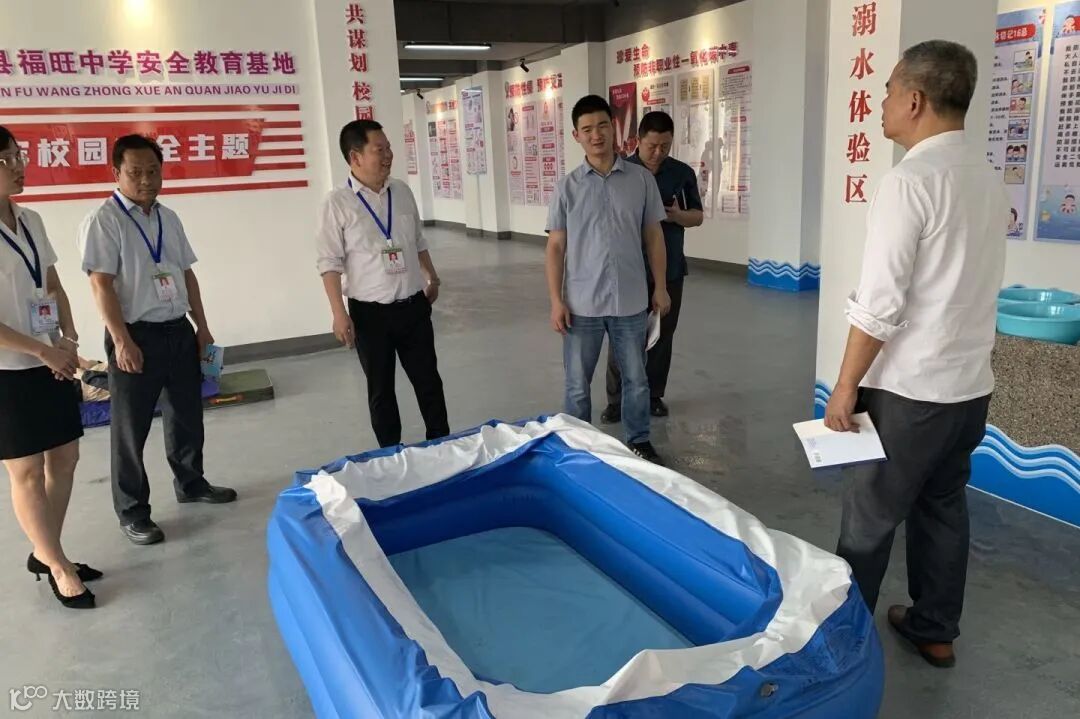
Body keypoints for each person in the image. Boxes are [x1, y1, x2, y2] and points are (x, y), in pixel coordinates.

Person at [824, 41, 1007, 669]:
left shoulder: (910, 182)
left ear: (915, 99)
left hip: (909, 392)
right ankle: (934, 629)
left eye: (888, 90)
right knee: (943, 507)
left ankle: (843, 647)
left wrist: (845, 385)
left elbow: (879, 304)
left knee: (869, 520)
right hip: (969, 389)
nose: (881, 103)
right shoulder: (987, 177)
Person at [79, 134, 236, 546]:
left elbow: (186, 274)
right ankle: (133, 512)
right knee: (130, 429)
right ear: (116, 173)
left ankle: (191, 483)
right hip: (136, 335)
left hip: (177, 330)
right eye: (135, 172)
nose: (146, 180)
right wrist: (121, 340)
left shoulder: (168, 217)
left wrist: (202, 327)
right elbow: (100, 285)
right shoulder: (104, 220)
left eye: (153, 171)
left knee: (186, 415)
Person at [0, 126, 97, 608]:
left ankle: (45, 551)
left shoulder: (31, 219)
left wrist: (68, 336)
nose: (20, 166)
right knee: (26, 471)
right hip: (7, 370)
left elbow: (52, 283)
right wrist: (42, 351)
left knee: (65, 458)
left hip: (50, 357)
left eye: (19, 155)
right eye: (7, 160)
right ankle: (58, 565)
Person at [545, 95, 671, 464]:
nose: (596, 134)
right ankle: (579, 444)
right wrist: (556, 300)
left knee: (636, 378)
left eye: (602, 125)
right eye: (587, 129)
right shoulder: (567, 188)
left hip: (630, 299)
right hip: (581, 303)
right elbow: (556, 247)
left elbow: (654, 237)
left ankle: (638, 439)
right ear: (576, 136)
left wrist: (661, 286)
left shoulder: (641, 180)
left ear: (614, 128)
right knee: (577, 383)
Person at [316, 120, 449, 448]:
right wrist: (338, 314)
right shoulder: (337, 203)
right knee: (381, 391)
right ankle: (390, 455)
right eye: (380, 149)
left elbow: (417, 240)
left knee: (429, 383)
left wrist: (431, 276)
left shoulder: (401, 191)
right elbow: (329, 263)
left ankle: (442, 447)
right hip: (370, 315)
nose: (389, 155)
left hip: (413, 306)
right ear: (355, 156)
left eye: (389, 148)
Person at [601, 111, 703, 422]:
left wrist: (677, 216)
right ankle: (616, 400)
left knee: (662, 335)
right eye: (652, 146)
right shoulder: (621, 171)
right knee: (621, 336)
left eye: (665, 146)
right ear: (638, 141)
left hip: (670, 270)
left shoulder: (681, 173)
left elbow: (697, 216)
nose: (658, 153)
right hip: (627, 270)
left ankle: (654, 395)